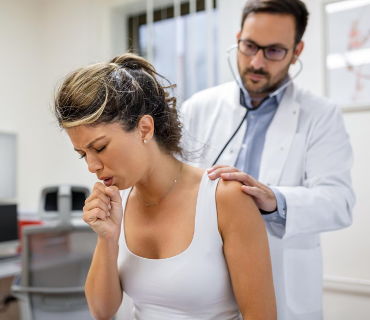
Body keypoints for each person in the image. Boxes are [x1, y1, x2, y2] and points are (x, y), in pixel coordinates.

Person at [53, 53, 276, 320]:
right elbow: (101, 311)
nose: (91, 166)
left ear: (145, 128)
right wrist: (107, 238)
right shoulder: (117, 203)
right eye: (82, 153)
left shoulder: (225, 198)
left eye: (99, 147)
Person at [180, 0, 355, 319]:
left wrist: (276, 199)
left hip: (282, 284)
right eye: (249, 46)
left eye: (274, 51)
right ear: (238, 38)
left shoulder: (321, 115)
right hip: (206, 282)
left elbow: (340, 202)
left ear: (296, 50)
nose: (257, 62)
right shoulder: (198, 108)